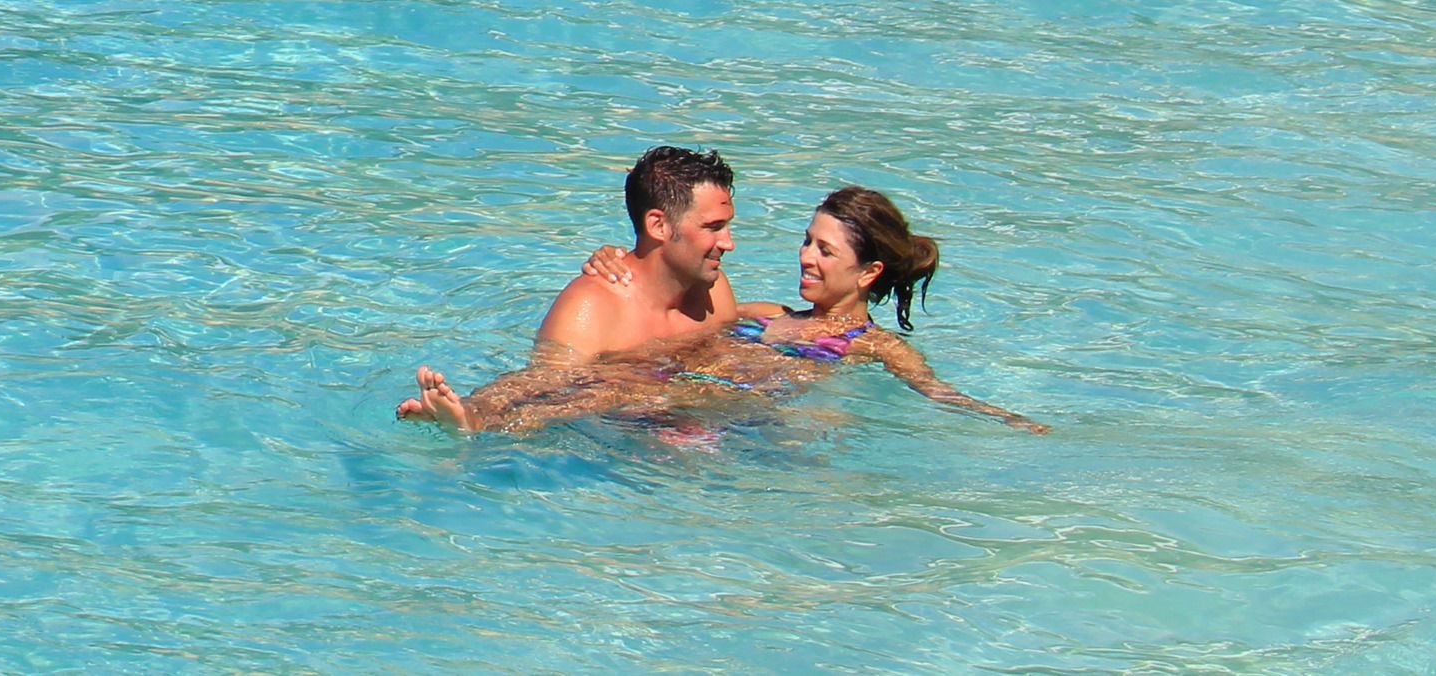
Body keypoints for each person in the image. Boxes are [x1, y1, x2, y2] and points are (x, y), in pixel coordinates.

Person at [402, 175, 1045, 435]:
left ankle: (478, 422)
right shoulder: (766, 312)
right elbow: (672, 304)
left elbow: (937, 392)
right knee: (585, 378)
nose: (806, 257)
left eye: (825, 250)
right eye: (806, 240)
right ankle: (474, 408)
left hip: (728, 409)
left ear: (869, 272)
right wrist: (615, 255)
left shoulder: (873, 345)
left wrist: (1009, 420)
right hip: (682, 387)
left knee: (603, 389)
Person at [394, 145, 739, 430]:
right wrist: (472, 414)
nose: (728, 243)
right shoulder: (592, 307)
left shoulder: (713, 289)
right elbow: (537, 386)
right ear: (658, 225)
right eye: (713, 227)